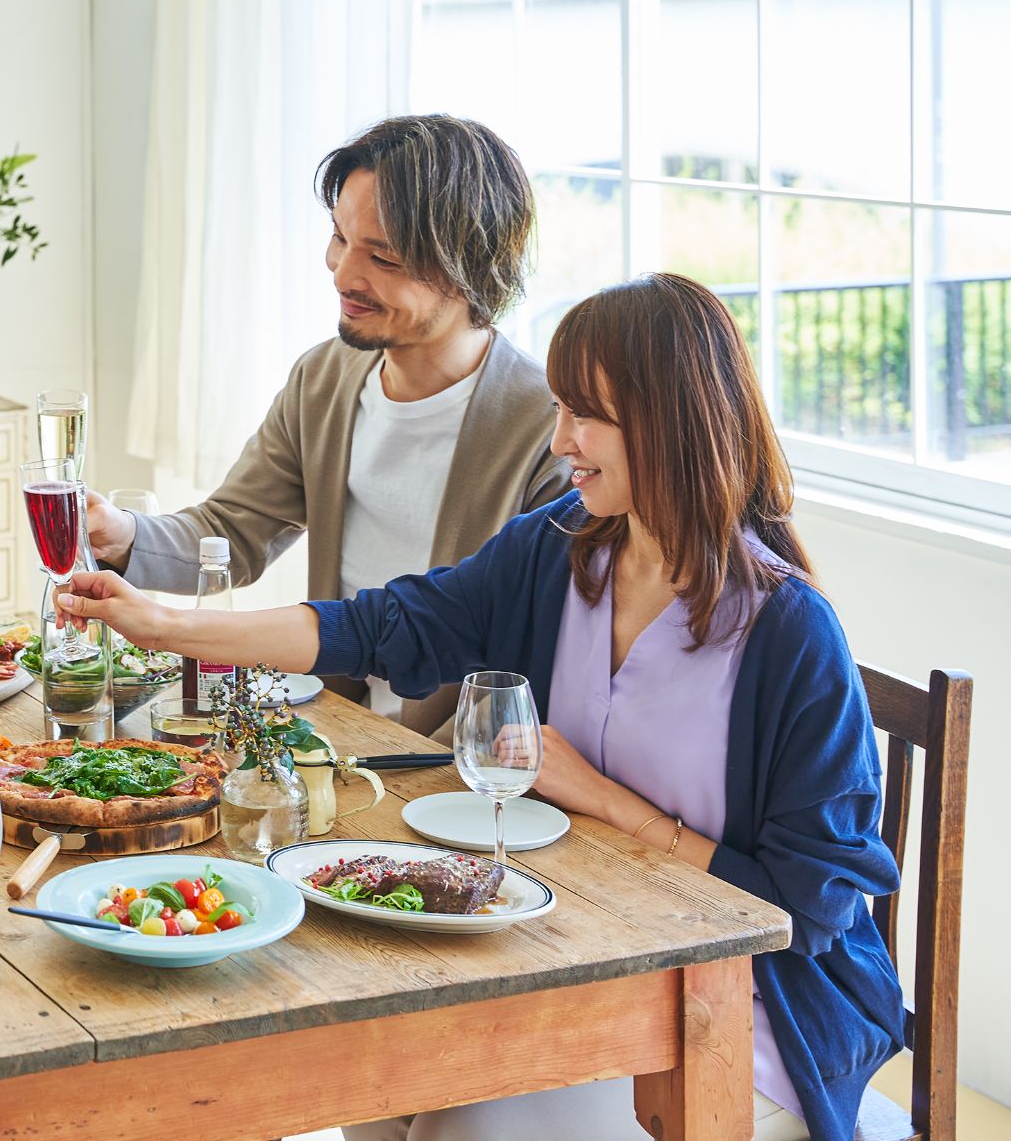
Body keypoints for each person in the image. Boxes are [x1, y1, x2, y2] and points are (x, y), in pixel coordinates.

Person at [59, 274, 905, 1141]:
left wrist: (606, 799)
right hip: (570, 949)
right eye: (562, 409)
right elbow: (392, 624)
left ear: (670, 422)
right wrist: (168, 623)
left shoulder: (788, 633)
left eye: (588, 414)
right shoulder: (562, 547)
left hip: (737, 1009)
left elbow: (809, 912)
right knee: (368, 1078)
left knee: (460, 1128)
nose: (561, 438)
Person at [86, 114, 569, 736]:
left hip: (457, 760)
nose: (342, 273)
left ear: (468, 265)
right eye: (340, 237)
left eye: (383, 256)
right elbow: (232, 531)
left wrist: (430, 767)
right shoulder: (326, 379)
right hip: (330, 729)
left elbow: (538, 656)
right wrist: (120, 535)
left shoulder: (548, 430)